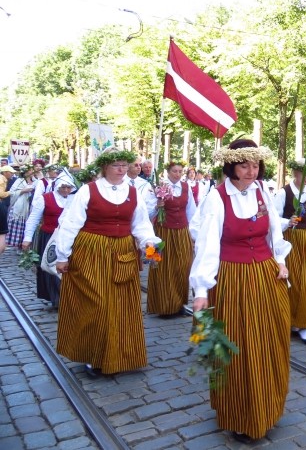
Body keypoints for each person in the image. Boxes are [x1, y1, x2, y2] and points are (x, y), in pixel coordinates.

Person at [190, 139, 291, 443]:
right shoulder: (216, 198)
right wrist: (201, 289)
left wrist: (280, 260)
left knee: (270, 341)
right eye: (244, 164)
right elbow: (206, 243)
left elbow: (274, 230)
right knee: (236, 347)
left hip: (264, 276)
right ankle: (239, 414)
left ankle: (267, 406)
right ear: (231, 165)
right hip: (232, 278)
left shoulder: (262, 192)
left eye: (256, 164)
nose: (251, 171)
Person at [54, 149, 160, 378]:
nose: (122, 169)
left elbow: (141, 225)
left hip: (123, 252)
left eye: (124, 164)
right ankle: (94, 356)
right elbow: (71, 223)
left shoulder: (133, 192)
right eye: (116, 165)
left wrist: (150, 248)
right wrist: (63, 255)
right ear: (104, 167)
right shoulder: (88, 190)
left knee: (122, 305)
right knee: (98, 304)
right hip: (91, 252)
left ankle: (121, 356)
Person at [274, 159, 306, 345]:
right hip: (290, 240)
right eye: (305, 173)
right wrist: (287, 222)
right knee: (292, 280)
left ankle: (305, 324)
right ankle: (290, 321)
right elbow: (274, 219)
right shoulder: (283, 193)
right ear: (295, 173)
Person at [22, 171, 78, 308]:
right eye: (63, 187)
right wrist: (27, 238)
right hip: (48, 238)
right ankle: (57, 299)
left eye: (68, 187)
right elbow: (33, 218)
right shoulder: (45, 198)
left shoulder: (75, 199)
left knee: (70, 268)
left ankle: (70, 297)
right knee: (51, 268)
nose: (65, 190)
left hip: (70, 238)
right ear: (57, 186)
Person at [148, 161, 196, 316]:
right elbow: (146, 212)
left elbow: (191, 211)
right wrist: (157, 206)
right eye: (174, 171)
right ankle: (163, 305)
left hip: (182, 231)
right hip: (161, 231)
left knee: (183, 265)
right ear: (168, 172)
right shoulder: (158, 186)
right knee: (160, 266)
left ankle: (179, 304)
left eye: (180, 171)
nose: (178, 174)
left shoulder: (186, 187)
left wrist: (193, 234)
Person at [6, 165, 36, 249]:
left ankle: (22, 244)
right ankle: (12, 244)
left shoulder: (35, 181)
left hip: (30, 206)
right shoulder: (19, 181)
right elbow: (12, 192)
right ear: (25, 172)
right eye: (29, 171)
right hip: (19, 207)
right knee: (17, 223)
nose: (30, 172)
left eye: (31, 170)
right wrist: (23, 191)